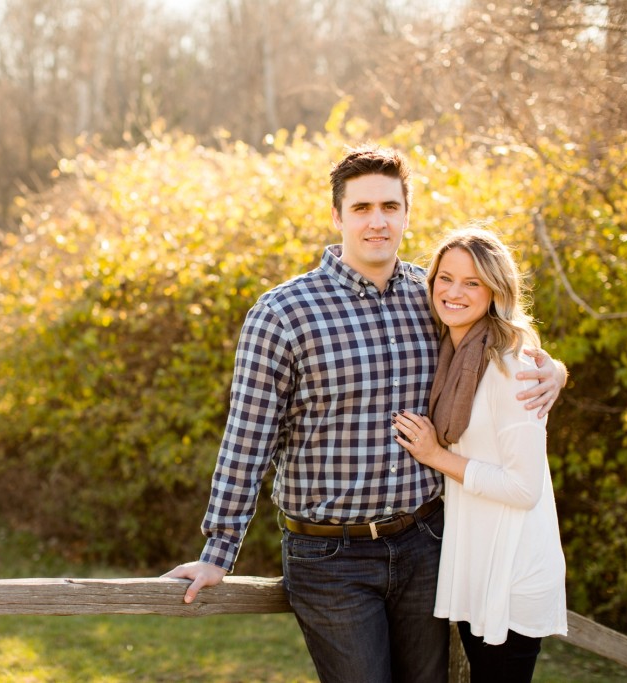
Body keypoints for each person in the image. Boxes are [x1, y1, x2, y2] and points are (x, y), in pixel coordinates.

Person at [164, 145, 566, 683]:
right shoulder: (283, 314)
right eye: (361, 208)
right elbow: (247, 440)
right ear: (337, 216)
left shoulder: (433, 297)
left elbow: (505, 338)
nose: (377, 221)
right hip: (330, 557)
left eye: (390, 206)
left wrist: (554, 370)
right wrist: (219, 551)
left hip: (425, 542)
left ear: (406, 213)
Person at [392, 226, 568, 682]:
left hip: (510, 569)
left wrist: (435, 455)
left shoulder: (512, 365)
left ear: (495, 291)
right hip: (476, 560)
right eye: (444, 278)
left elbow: (523, 488)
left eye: (472, 282)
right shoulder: (453, 351)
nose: (453, 292)